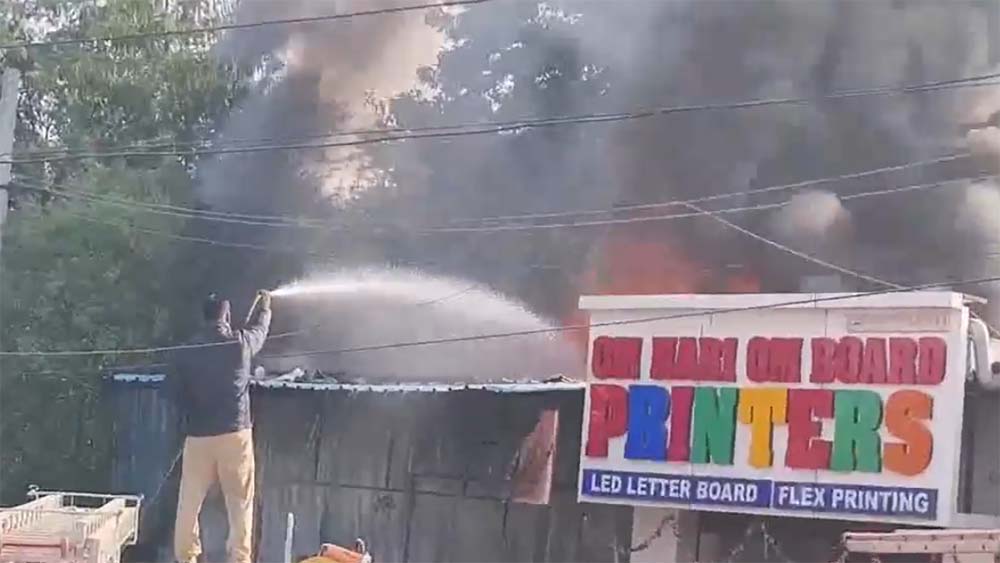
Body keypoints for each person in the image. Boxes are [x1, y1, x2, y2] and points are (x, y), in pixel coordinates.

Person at [167, 290, 272, 563]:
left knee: (189, 502)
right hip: (235, 435)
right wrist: (265, 309)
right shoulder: (239, 344)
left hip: (198, 437)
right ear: (226, 316)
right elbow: (259, 333)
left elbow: (173, 393)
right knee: (240, 503)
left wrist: (190, 416)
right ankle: (239, 558)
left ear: (203, 318)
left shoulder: (186, 352)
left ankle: (186, 557)